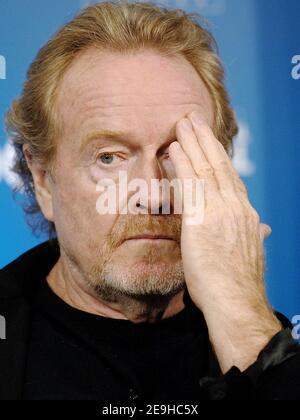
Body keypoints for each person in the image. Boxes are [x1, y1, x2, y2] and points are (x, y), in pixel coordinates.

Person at [1, 0, 299, 401]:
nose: (153, 195)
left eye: (177, 154)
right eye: (109, 157)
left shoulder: (270, 349)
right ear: (42, 181)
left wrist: (247, 329)